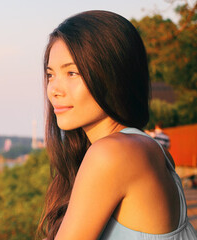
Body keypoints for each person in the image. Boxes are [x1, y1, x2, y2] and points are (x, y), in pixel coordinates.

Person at [36, 10, 197, 240]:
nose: (54, 90)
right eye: (50, 75)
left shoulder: (111, 153)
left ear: (112, 75)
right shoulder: (147, 147)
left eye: (72, 73)